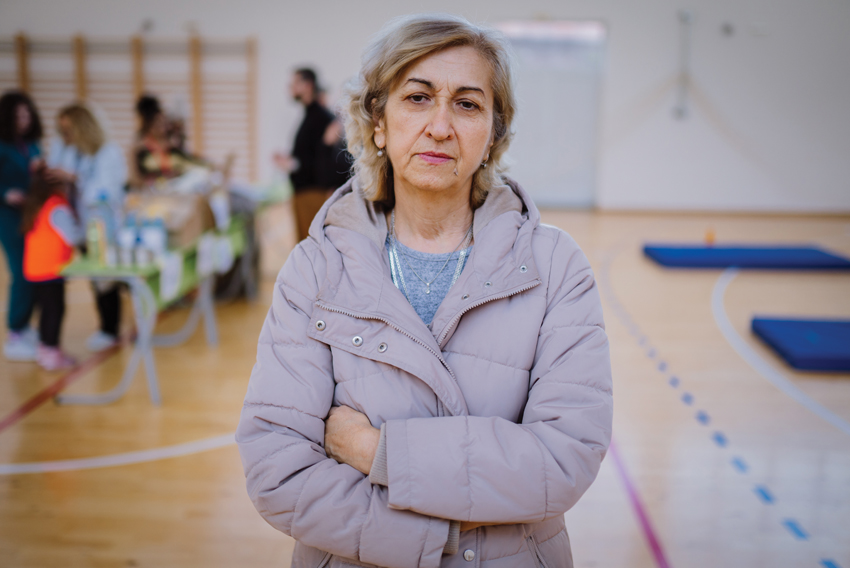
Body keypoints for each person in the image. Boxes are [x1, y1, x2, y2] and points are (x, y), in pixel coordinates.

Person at [237, 14, 612, 568]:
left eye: (467, 104)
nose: (440, 126)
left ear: (493, 134)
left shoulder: (556, 266)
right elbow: (277, 470)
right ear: (379, 124)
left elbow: (562, 463)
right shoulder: (314, 268)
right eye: (417, 98)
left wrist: (375, 452)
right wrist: (450, 528)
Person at [47, 103, 128, 352]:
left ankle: (110, 329)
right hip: (78, 224)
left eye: (70, 129)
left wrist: (75, 178)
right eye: (62, 130)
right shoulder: (68, 150)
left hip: (104, 224)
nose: (66, 135)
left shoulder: (108, 153)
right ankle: (106, 327)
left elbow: (107, 192)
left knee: (105, 278)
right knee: (95, 277)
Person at [274, 68, 348, 241]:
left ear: (307, 85)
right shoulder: (310, 116)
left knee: (312, 250)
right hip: (305, 192)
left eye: (294, 84)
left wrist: (292, 165)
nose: (290, 88)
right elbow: (309, 156)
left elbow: (325, 161)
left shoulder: (321, 118)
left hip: (314, 194)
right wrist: (291, 162)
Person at [21, 166, 82, 370]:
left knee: (47, 311)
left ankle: (45, 349)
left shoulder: (38, 205)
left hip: (36, 269)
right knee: (54, 311)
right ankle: (51, 353)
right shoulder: (57, 207)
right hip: (51, 269)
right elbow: (72, 235)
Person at [0, 90, 43, 361]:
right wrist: (6, 193)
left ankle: (26, 325)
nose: (23, 120)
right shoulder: (3, 146)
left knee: (35, 270)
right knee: (21, 271)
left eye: (27, 114)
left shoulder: (32, 145)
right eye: (18, 116)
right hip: (9, 216)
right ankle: (15, 331)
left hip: (33, 214)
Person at [134, 95, 205, 183]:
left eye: (165, 123)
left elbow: (188, 159)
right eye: (158, 124)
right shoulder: (142, 146)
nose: (163, 127)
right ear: (150, 126)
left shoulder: (172, 143)